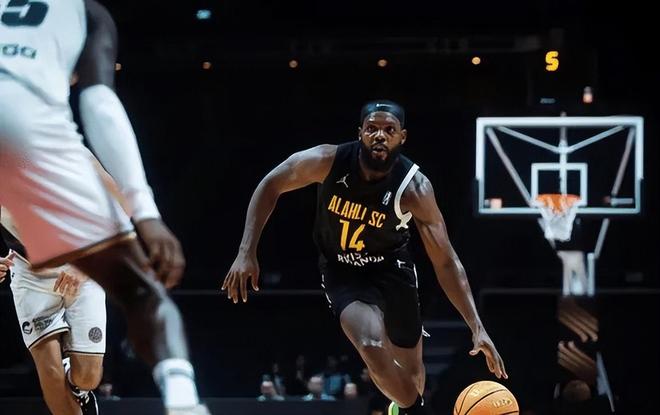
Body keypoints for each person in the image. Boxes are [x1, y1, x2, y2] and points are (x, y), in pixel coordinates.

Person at [223, 100, 508, 415]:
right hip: (343, 271)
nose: (380, 135)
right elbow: (271, 184)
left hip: (393, 269)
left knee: (412, 377)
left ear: (402, 137)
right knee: (371, 344)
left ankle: (403, 407)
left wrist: (476, 326)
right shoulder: (327, 161)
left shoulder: (414, 188)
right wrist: (246, 252)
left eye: (389, 130)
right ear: (360, 133)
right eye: (372, 128)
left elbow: (445, 261)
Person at [0, 1, 208, 413]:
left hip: (59, 225)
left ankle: (91, 387)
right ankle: (184, 402)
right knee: (144, 296)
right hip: (41, 145)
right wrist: (147, 213)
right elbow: (100, 103)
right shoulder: (87, 14)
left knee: (86, 377)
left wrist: (81, 265)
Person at [1, 208, 106, 415]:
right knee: (51, 374)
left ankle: (79, 388)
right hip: (29, 273)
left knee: (88, 377)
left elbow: (115, 213)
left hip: (81, 262)